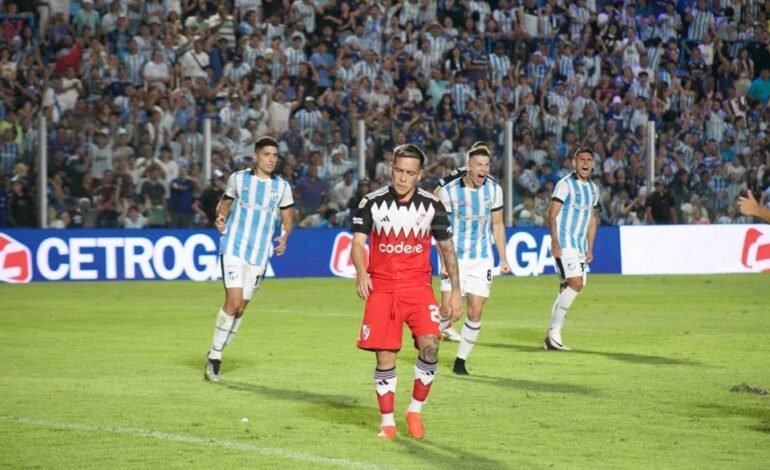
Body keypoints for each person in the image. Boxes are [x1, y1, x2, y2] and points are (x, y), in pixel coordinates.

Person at [351, 143, 462, 440]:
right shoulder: (371, 202)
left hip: (418, 288)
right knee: (385, 356)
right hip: (383, 288)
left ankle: (414, 411)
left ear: (419, 175)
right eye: (399, 170)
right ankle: (387, 422)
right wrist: (362, 272)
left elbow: (447, 250)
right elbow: (357, 244)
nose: (402, 178)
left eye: (409, 173)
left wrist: (454, 291)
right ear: (391, 168)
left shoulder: (432, 205)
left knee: (431, 346)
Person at [204, 136, 294, 382]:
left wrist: (284, 237)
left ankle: (217, 351)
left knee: (241, 308)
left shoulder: (282, 187)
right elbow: (224, 205)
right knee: (232, 302)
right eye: (267, 155)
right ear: (256, 156)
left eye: (275, 156)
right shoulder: (238, 179)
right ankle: (215, 357)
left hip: (259, 254)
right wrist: (220, 217)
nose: (271, 160)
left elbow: (287, 217)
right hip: (234, 246)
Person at [434, 144, 511, 375]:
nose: (484, 169)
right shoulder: (449, 191)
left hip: (481, 258)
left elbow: (497, 224)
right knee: (448, 310)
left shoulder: (494, 190)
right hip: (454, 257)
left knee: (475, 310)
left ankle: (460, 361)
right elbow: (439, 230)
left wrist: (503, 257)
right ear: (468, 167)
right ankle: (430, 340)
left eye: (487, 165)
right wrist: (443, 261)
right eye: (479, 165)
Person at [544, 148, 600, 351]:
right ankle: (554, 334)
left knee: (566, 288)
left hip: (579, 246)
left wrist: (590, 246)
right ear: (574, 162)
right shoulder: (565, 184)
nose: (585, 163)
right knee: (575, 284)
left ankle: (551, 336)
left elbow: (592, 219)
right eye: (581, 159)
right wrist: (555, 241)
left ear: (593, 163)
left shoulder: (594, 189)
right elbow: (551, 214)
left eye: (589, 159)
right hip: (565, 243)